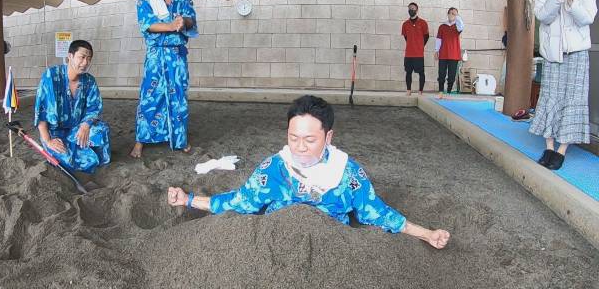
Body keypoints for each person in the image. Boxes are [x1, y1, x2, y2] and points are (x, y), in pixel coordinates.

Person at [167, 95, 451, 249]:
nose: (300, 148)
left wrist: (426, 233)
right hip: (272, 246)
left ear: (328, 137)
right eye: (293, 138)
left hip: (331, 248)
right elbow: (240, 202)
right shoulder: (274, 168)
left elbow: (375, 211)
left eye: (310, 140)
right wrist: (189, 200)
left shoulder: (348, 174)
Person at [530, 0, 597, 170]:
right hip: (552, 55)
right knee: (550, 98)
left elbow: (587, 18)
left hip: (576, 54)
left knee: (572, 101)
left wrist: (572, 1)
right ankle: (549, 146)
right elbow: (542, 15)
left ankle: (561, 150)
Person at [130, 0, 198, 158]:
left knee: (178, 96)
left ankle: (179, 139)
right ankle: (140, 140)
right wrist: (170, 26)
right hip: (156, 55)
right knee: (149, 96)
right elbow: (147, 24)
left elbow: (192, 20)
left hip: (177, 56)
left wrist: (183, 21)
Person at [34, 40, 110, 173]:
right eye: (82, 57)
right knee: (67, 161)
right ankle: (78, 153)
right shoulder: (51, 76)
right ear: (70, 56)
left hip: (77, 129)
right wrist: (48, 141)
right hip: (55, 133)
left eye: (89, 59)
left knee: (101, 130)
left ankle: (82, 151)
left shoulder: (89, 81)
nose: (85, 62)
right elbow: (41, 112)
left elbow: (94, 108)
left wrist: (86, 125)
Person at [435, 7, 464, 99]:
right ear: (447, 14)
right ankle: (440, 91)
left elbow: (461, 26)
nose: (452, 15)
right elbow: (438, 39)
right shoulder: (442, 26)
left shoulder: (457, 26)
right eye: (450, 13)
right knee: (441, 74)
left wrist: (457, 17)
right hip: (443, 54)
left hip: (454, 54)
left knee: (451, 75)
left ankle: (448, 92)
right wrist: (436, 51)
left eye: (454, 14)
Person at [401, 2, 429, 96]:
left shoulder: (423, 23)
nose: (411, 10)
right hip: (408, 54)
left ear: (417, 10)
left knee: (421, 73)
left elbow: (426, 36)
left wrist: (420, 45)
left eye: (413, 8)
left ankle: (420, 91)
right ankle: (408, 90)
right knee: (408, 72)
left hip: (418, 54)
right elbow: (406, 37)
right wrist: (412, 44)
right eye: (409, 8)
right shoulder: (405, 24)